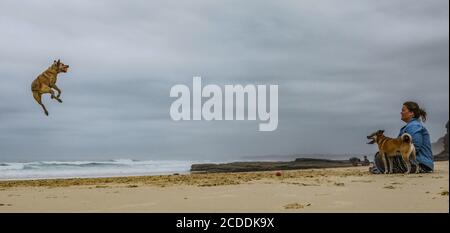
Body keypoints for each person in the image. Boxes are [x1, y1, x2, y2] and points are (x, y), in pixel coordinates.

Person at [369, 101, 434, 174]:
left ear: (411, 113)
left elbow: (416, 146)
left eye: (403, 110)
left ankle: (379, 168)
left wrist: (396, 152)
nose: (401, 112)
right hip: (421, 163)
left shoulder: (414, 126)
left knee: (380, 156)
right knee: (382, 154)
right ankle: (380, 168)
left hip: (422, 164)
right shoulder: (409, 126)